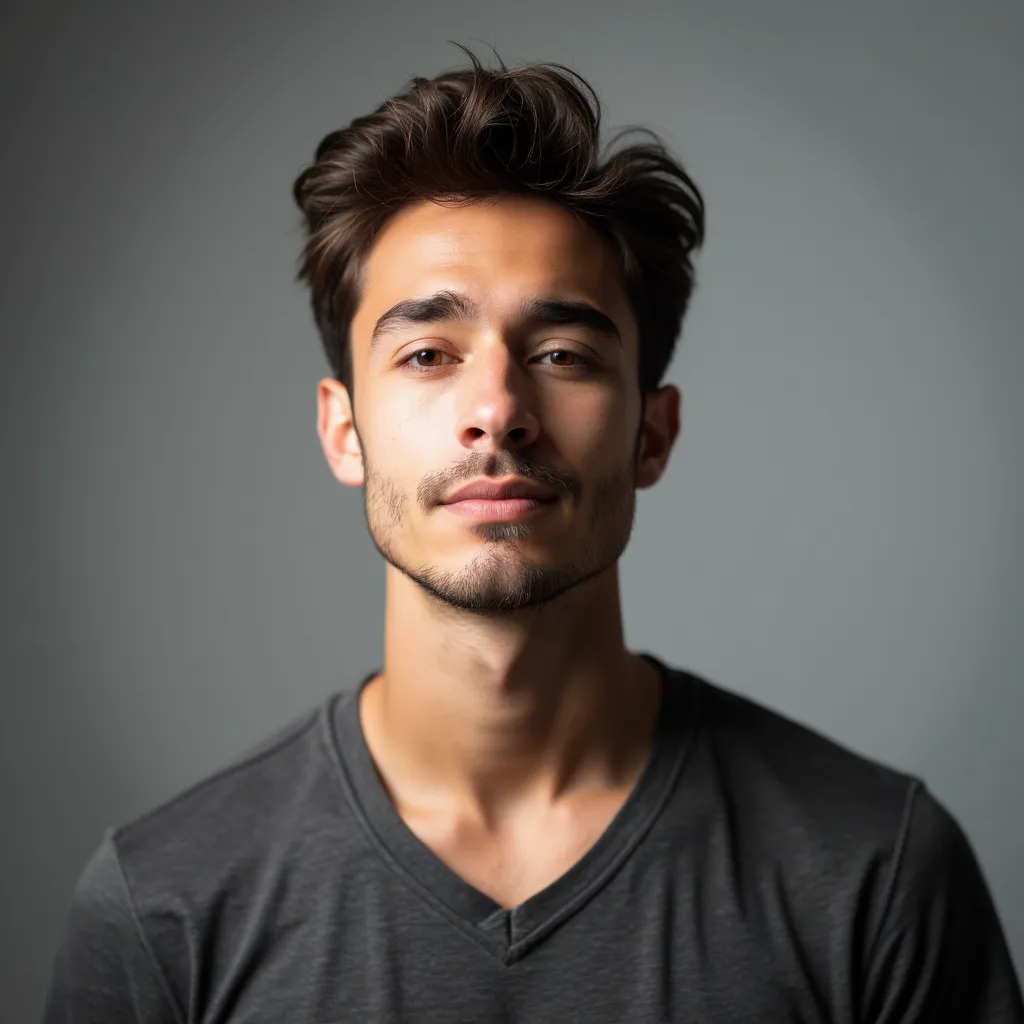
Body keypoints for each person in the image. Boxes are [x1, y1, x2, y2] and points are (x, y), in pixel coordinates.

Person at [44, 44, 1023, 1023]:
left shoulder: (874, 874)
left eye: (561, 354)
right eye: (428, 354)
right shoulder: (164, 904)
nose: (498, 411)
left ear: (652, 433)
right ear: (343, 431)